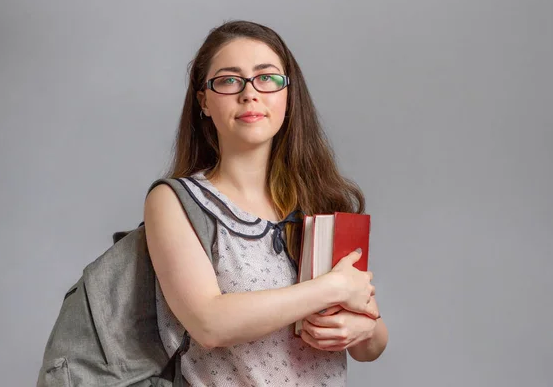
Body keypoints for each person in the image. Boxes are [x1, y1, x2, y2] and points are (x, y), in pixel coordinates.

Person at [144, 20, 388, 387]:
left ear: (288, 95)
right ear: (204, 102)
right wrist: (334, 288)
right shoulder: (175, 201)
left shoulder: (320, 200)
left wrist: (360, 329)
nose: (249, 94)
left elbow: (371, 346)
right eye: (229, 80)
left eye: (267, 78)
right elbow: (209, 323)